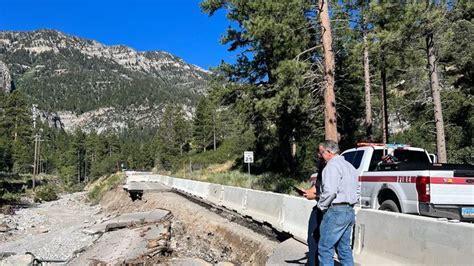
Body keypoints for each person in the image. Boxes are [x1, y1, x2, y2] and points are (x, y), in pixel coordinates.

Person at [317, 140, 359, 266]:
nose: (320, 155)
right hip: (349, 211)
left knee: (325, 248)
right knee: (344, 249)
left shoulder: (331, 166)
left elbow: (330, 191)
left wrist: (321, 205)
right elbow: (357, 190)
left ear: (329, 152)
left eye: (321, 152)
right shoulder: (349, 166)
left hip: (336, 211)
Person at [303, 159, 326, 266]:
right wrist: (306, 192)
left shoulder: (334, 168)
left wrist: (316, 196)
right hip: (318, 208)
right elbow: (316, 188)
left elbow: (332, 193)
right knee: (312, 239)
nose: (319, 155)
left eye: (321, 152)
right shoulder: (322, 169)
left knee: (327, 245)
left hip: (330, 210)